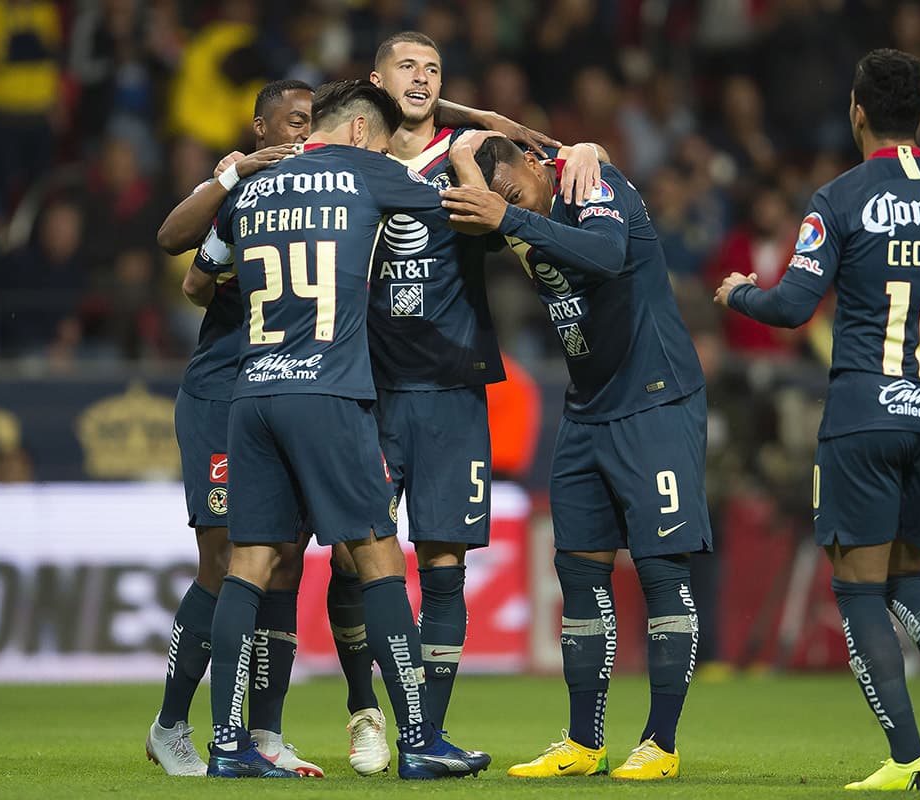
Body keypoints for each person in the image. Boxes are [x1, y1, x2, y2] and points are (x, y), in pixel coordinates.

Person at [714, 49, 920, 791]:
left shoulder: (840, 198)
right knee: (907, 578)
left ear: (857, 111)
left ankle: (907, 759)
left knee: (857, 589)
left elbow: (791, 307)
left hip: (864, 417)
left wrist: (738, 293)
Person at [327, 30, 605, 772]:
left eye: (433, 69)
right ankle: (364, 709)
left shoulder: (468, 154)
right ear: (376, 81)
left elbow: (550, 174)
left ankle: (428, 735)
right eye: (406, 67)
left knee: (443, 564)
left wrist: (582, 151)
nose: (421, 78)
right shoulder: (348, 156)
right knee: (353, 562)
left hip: (452, 388)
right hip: (365, 389)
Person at [199, 79, 490, 780]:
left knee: (250, 562)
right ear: (361, 132)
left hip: (253, 391)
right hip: (328, 391)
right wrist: (469, 148)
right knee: (377, 555)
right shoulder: (365, 170)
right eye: (384, 144)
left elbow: (202, 275)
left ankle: (228, 747)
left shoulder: (253, 184)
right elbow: (470, 211)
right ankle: (419, 739)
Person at [442, 133, 710, 781]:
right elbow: (465, 145)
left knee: (660, 570)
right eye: (500, 201)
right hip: (587, 408)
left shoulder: (593, 185)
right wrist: (483, 177)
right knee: (579, 571)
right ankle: (584, 743)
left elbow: (609, 254)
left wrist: (557, 173)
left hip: (655, 400)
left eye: (513, 192)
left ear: (537, 164)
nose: (508, 207)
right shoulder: (516, 208)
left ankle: (661, 744)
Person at [147, 79, 322, 778]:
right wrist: (230, 175)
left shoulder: (329, 197)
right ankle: (170, 725)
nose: (303, 132)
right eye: (293, 121)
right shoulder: (237, 187)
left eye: (313, 122)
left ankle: (267, 735)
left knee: (284, 561)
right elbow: (172, 244)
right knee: (224, 562)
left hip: (291, 395)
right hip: (223, 395)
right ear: (260, 128)